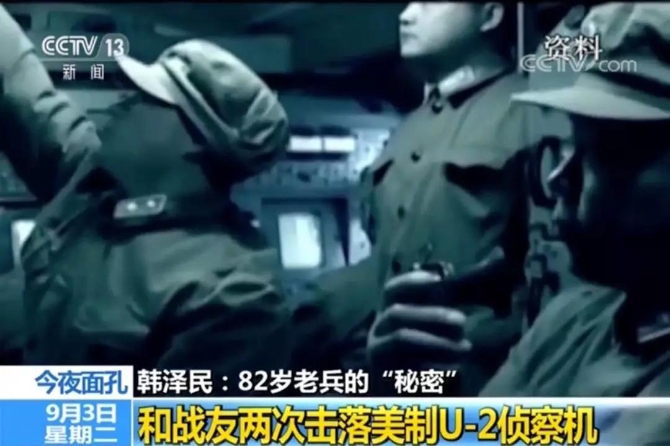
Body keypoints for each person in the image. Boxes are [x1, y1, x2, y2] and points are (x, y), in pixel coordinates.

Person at [370, 1, 670, 433]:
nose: (558, 178)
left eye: (610, 151)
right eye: (570, 145)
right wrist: (402, 391)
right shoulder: (572, 322)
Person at [0, 5, 293, 379]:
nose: (120, 103)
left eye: (145, 98)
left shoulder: (237, 300)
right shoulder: (100, 185)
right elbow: (25, 91)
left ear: (194, 144)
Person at [343, 1, 537, 395]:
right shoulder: (408, 130)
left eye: (429, 3)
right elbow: (383, 261)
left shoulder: (529, 113)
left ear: (490, 15)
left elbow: (555, 280)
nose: (406, 15)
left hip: (484, 383)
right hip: (395, 380)